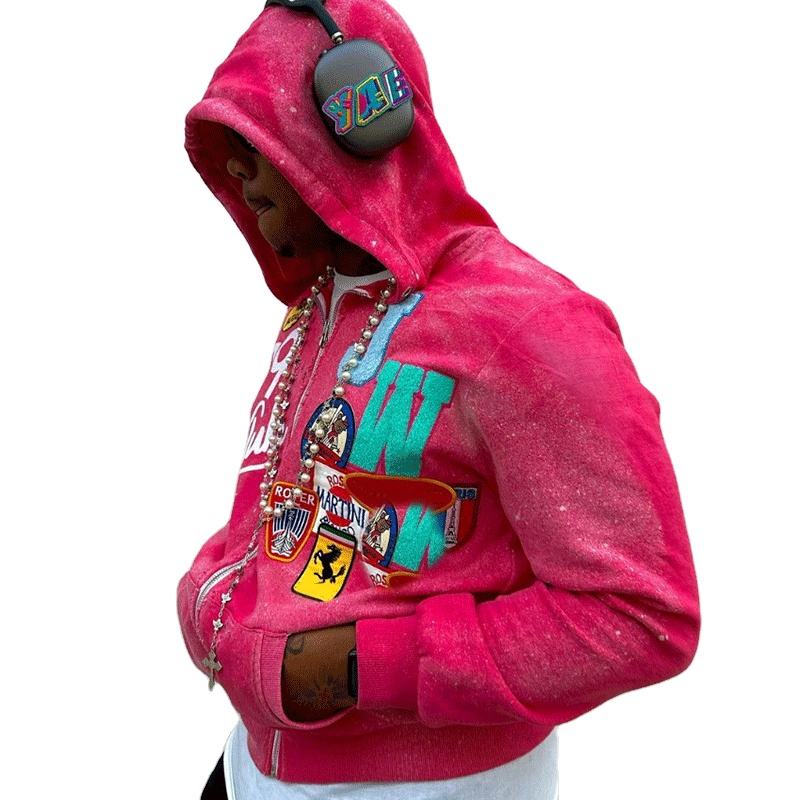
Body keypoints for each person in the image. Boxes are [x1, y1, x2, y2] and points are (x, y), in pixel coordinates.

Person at [175, 2, 701, 798]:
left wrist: (358, 666)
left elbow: (642, 614)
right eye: (229, 151)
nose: (239, 175)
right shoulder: (320, 307)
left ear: (354, 127)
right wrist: (215, 590)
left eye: (255, 144)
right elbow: (297, 506)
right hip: (253, 768)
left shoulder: (526, 326)